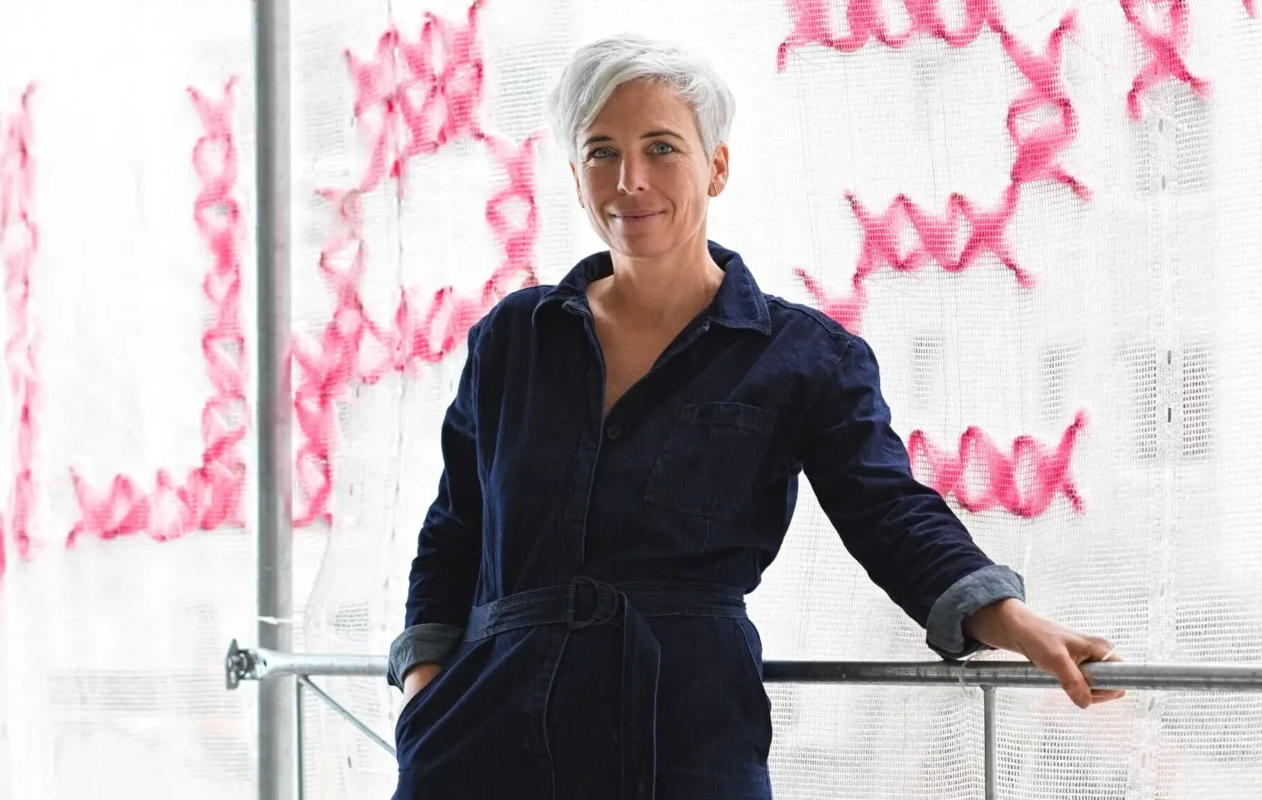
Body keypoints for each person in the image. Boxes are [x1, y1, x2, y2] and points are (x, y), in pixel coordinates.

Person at [386, 33, 1124, 800]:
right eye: (601, 153)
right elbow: (453, 535)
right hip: (482, 741)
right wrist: (424, 694)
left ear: (718, 166)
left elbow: (891, 514)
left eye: (661, 147)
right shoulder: (514, 338)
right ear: (575, 178)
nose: (630, 180)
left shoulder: (804, 356)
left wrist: (1009, 619)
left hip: (683, 735)